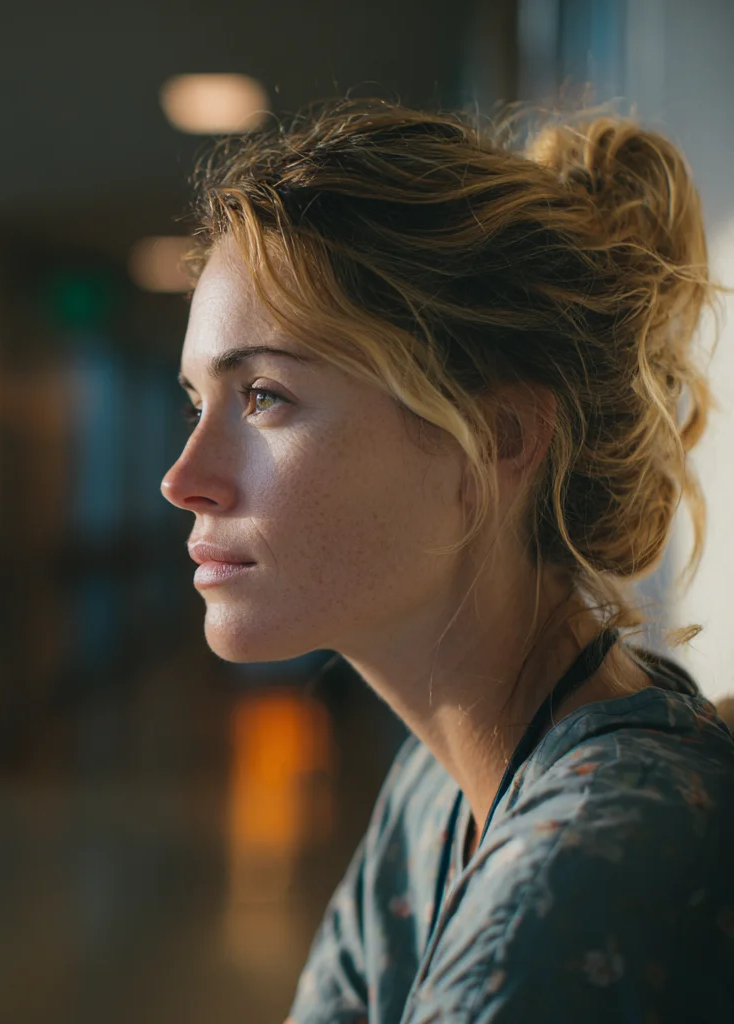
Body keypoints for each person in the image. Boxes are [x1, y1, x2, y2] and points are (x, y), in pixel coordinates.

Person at [160, 97, 734, 1022]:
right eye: (199, 404)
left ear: (497, 437)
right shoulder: (438, 794)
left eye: (263, 395)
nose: (185, 479)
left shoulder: (582, 872)